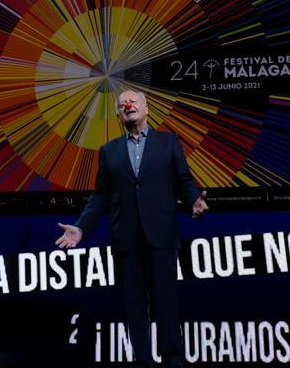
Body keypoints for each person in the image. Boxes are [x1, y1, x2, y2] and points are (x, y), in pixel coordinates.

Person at [56, 89, 208, 367]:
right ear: (118, 115)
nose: (128, 106)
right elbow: (101, 195)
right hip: (126, 238)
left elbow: (183, 179)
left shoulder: (169, 142)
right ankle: (143, 360)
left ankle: (174, 360)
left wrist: (193, 200)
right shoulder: (108, 151)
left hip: (160, 235)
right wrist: (81, 228)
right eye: (122, 105)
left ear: (146, 108)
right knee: (135, 305)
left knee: (166, 302)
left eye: (133, 102)